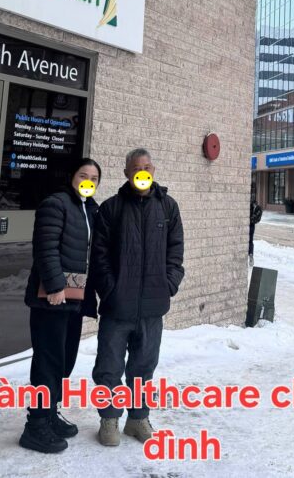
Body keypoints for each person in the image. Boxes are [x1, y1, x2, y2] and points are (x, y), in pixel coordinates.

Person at [91, 148, 184, 447]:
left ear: (153, 170)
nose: (142, 172)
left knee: (143, 368)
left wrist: (168, 284)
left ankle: (137, 419)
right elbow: (99, 256)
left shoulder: (168, 207)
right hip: (117, 306)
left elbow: (175, 251)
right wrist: (110, 289)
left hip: (152, 307)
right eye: (135, 168)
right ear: (126, 173)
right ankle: (109, 419)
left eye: (146, 167)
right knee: (109, 367)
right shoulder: (111, 208)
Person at [19, 157, 101, 454]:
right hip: (52, 297)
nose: (88, 180)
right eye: (83, 175)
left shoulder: (90, 209)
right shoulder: (56, 204)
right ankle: (36, 425)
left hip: (75, 298)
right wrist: (54, 286)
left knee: (64, 360)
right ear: (71, 177)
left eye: (94, 177)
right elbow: (46, 247)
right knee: (48, 361)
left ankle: (50, 412)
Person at [249, 198, 262, 265]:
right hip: (251, 225)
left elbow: (257, 218)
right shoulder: (257, 207)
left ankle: (250, 254)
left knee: (249, 240)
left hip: (250, 225)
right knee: (250, 241)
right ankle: (250, 254)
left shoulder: (254, 207)